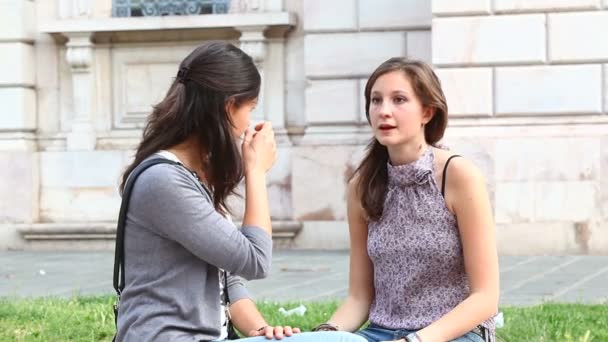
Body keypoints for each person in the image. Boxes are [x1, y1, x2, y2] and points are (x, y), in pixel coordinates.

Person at [115, 40, 365, 342]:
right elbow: (255, 260)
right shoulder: (164, 181)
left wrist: (261, 331)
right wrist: (256, 172)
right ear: (228, 107)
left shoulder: (190, 174)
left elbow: (229, 278)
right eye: (250, 108)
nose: (250, 121)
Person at [312, 58, 500, 342]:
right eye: (376, 101)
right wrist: (324, 335)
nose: (384, 111)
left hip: (455, 335)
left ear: (427, 111)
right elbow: (359, 297)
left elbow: (485, 298)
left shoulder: (458, 175)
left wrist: (415, 340)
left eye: (398, 99)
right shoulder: (361, 186)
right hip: (380, 333)